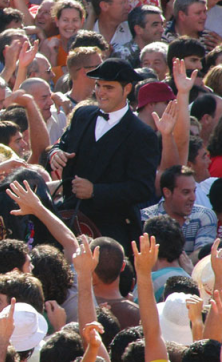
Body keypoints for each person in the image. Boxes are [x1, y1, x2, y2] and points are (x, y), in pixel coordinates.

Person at [49, 58, 159, 247]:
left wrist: (95, 191)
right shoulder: (82, 115)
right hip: (69, 216)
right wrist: (55, 154)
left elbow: (142, 189)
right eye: (98, 86)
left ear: (127, 89)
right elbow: (61, 145)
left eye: (108, 87)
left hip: (112, 227)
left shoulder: (143, 134)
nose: (100, 92)